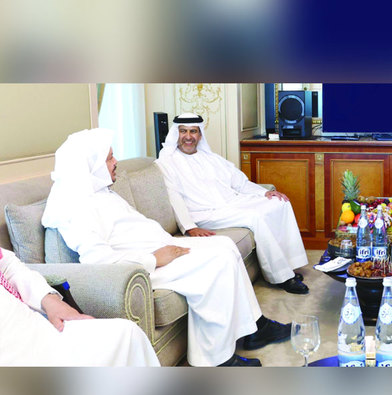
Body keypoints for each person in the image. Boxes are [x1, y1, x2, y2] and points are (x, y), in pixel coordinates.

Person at [41, 128, 289, 367]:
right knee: (218, 262)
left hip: (162, 249)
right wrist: (155, 258)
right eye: (109, 158)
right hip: (141, 267)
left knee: (224, 244)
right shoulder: (75, 206)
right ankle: (217, 358)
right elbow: (98, 261)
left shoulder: (99, 191)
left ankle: (255, 328)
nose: (116, 162)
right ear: (91, 165)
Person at [155, 114, 309, 294]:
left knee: (279, 203)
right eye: (183, 131)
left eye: (193, 131)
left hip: (230, 203)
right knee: (255, 217)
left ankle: (289, 265)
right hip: (204, 213)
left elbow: (240, 183)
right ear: (176, 133)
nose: (188, 137)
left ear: (200, 134)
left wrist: (264, 192)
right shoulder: (167, 161)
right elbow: (174, 197)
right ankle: (283, 278)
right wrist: (190, 227)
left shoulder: (211, 158)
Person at [1, 247, 159, 366]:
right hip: (12, 348)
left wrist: (49, 299)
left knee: (127, 335)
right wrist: (153, 259)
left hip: (30, 324)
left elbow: (8, 265)